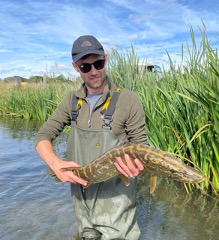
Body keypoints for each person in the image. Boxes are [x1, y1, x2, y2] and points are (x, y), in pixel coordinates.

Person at [35, 35, 148, 240]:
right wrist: (55, 163)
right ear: (76, 67)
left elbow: (141, 146)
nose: (94, 71)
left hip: (116, 203)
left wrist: (136, 163)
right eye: (85, 67)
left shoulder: (129, 100)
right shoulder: (71, 101)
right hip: (81, 201)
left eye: (98, 63)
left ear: (105, 58)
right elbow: (43, 135)